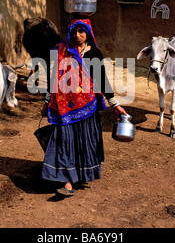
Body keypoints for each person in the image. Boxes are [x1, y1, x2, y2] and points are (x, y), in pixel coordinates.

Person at [40, 18, 128, 196]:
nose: (77, 35)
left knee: (83, 141)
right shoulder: (61, 51)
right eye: (74, 32)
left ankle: (79, 174)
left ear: (88, 32)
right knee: (64, 142)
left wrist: (115, 105)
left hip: (88, 106)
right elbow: (53, 78)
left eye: (81, 31)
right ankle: (67, 181)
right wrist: (47, 102)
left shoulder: (93, 53)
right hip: (63, 107)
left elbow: (101, 79)